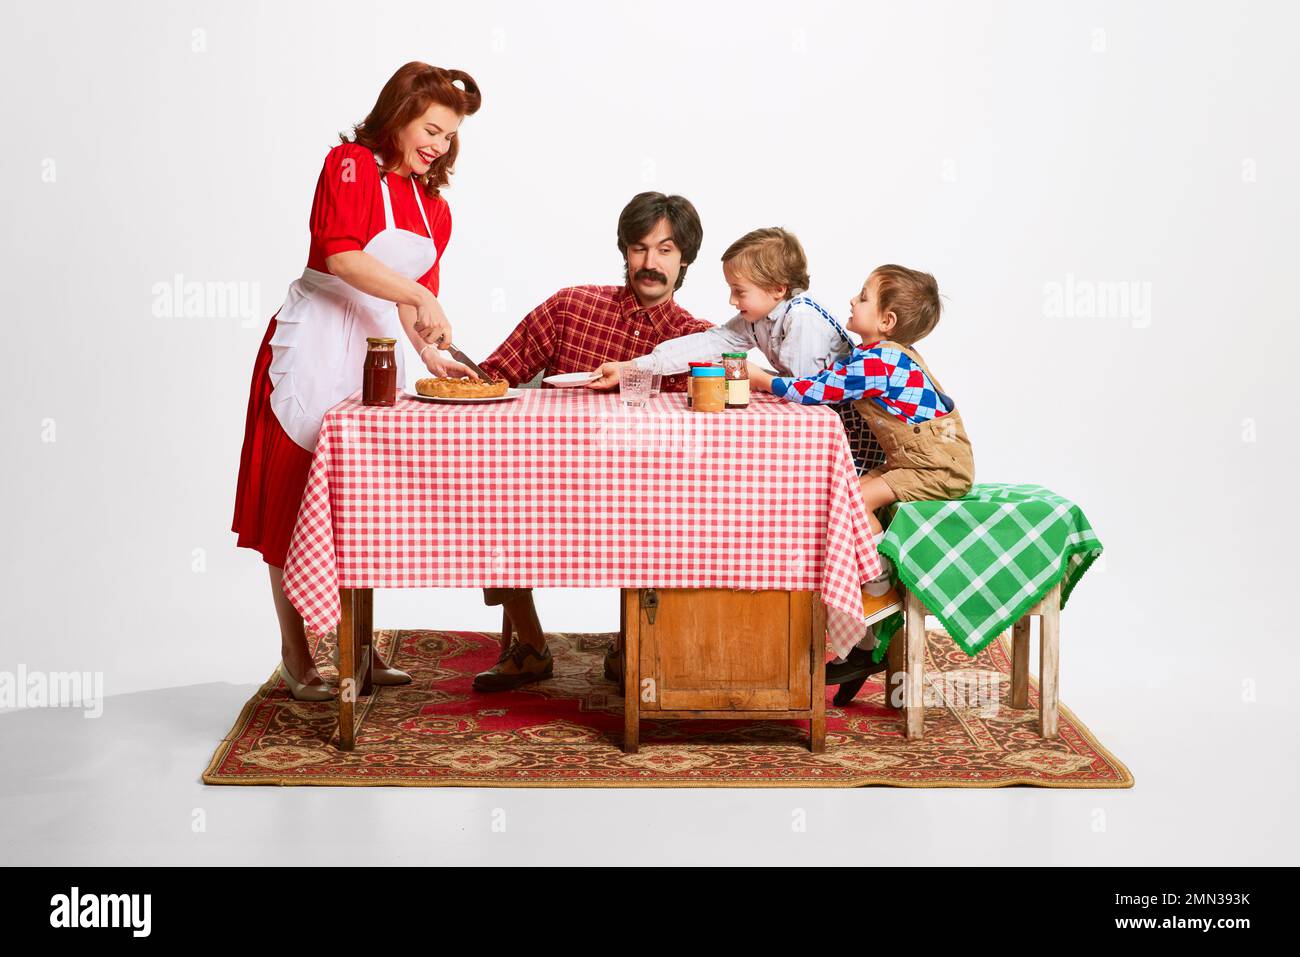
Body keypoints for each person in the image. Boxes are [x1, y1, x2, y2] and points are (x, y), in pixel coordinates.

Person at [232, 63, 481, 699]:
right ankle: (297, 655)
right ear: (396, 115)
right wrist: (421, 299)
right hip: (315, 343)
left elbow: (412, 303)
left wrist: (434, 356)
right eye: (431, 128)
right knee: (294, 499)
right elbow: (341, 254)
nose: (439, 145)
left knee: (352, 506)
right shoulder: (349, 165)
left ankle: (357, 649)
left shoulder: (434, 208)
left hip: (373, 355)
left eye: (449, 136)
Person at [470, 192, 715, 691]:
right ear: (624, 250)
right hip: (552, 477)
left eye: (665, 250)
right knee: (495, 496)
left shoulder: (698, 339)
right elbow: (494, 376)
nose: (650, 263)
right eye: (640, 248)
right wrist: (452, 371)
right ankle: (532, 646)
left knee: (681, 511)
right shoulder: (571, 305)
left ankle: (633, 645)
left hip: (647, 491)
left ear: (685, 258)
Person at [748, 264, 974, 686]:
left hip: (937, 466)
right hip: (914, 460)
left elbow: (815, 390)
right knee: (845, 496)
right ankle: (868, 638)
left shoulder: (881, 362)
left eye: (863, 296)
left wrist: (762, 379)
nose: (853, 300)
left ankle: (881, 588)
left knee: (852, 503)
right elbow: (825, 380)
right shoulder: (875, 356)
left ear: (886, 322)